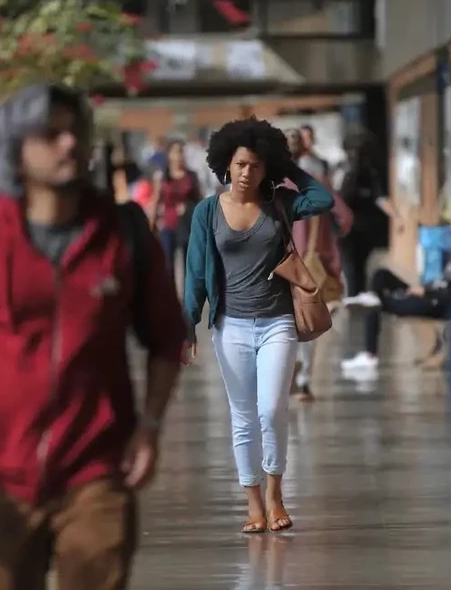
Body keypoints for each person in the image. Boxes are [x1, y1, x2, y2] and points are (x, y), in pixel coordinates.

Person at [0, 83, 186, 589]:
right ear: (16, 148)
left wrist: (149, 425)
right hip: (2, 477)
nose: (69, 145)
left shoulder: (122, 235)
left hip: (98, 471)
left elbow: (168, 338)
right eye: (51, 134)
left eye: (75, 132)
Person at [181, 117, 335, 533]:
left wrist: (287, 168)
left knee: (272, 409)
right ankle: (252, 501)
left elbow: (321, 199)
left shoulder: (279, 204)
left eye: (257, 165)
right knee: (243, 416)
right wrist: (187, 326)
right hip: (230, 327)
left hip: (277, 323)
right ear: (226, 165)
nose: (248, 173)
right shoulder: (207, 212)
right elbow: (195, 273)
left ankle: (275, 493)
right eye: (242, 164)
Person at [340, 215, 451, 374]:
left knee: (374, 304)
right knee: (381, 275)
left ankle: (369, 354)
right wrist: (422, 288)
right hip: (432, 294)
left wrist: (426, 292)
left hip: (437, 303)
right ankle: (372, 297)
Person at [285, 128, 354, 401]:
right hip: (310, 261)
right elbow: (345, 217)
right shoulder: (319, 181)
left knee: (282, 321)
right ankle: (303, 382)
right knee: (306, 321)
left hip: (277, 262)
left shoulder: (271, 183)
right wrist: (328, 240)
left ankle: (286, 372)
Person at [337, 129, 405, 296]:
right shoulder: (341, 172)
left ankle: (358, 297)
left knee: (361, 266)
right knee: (351, 267)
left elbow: (380, 197)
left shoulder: (370, 174)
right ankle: (353, 297)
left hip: (364, 229)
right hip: (345, 230)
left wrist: (396, 217)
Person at [151, 139, 202, 282]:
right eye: (176, 152)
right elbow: (155, 201)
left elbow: (200, 200)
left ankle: (189, 301)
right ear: (169, 155)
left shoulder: (191, 176)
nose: (179, 156)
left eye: (181, 152)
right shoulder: (162, 176)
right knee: (168, 264)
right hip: (168, 225)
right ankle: (170, 300)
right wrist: (151, 224)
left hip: (187, 225)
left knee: (189, 264)